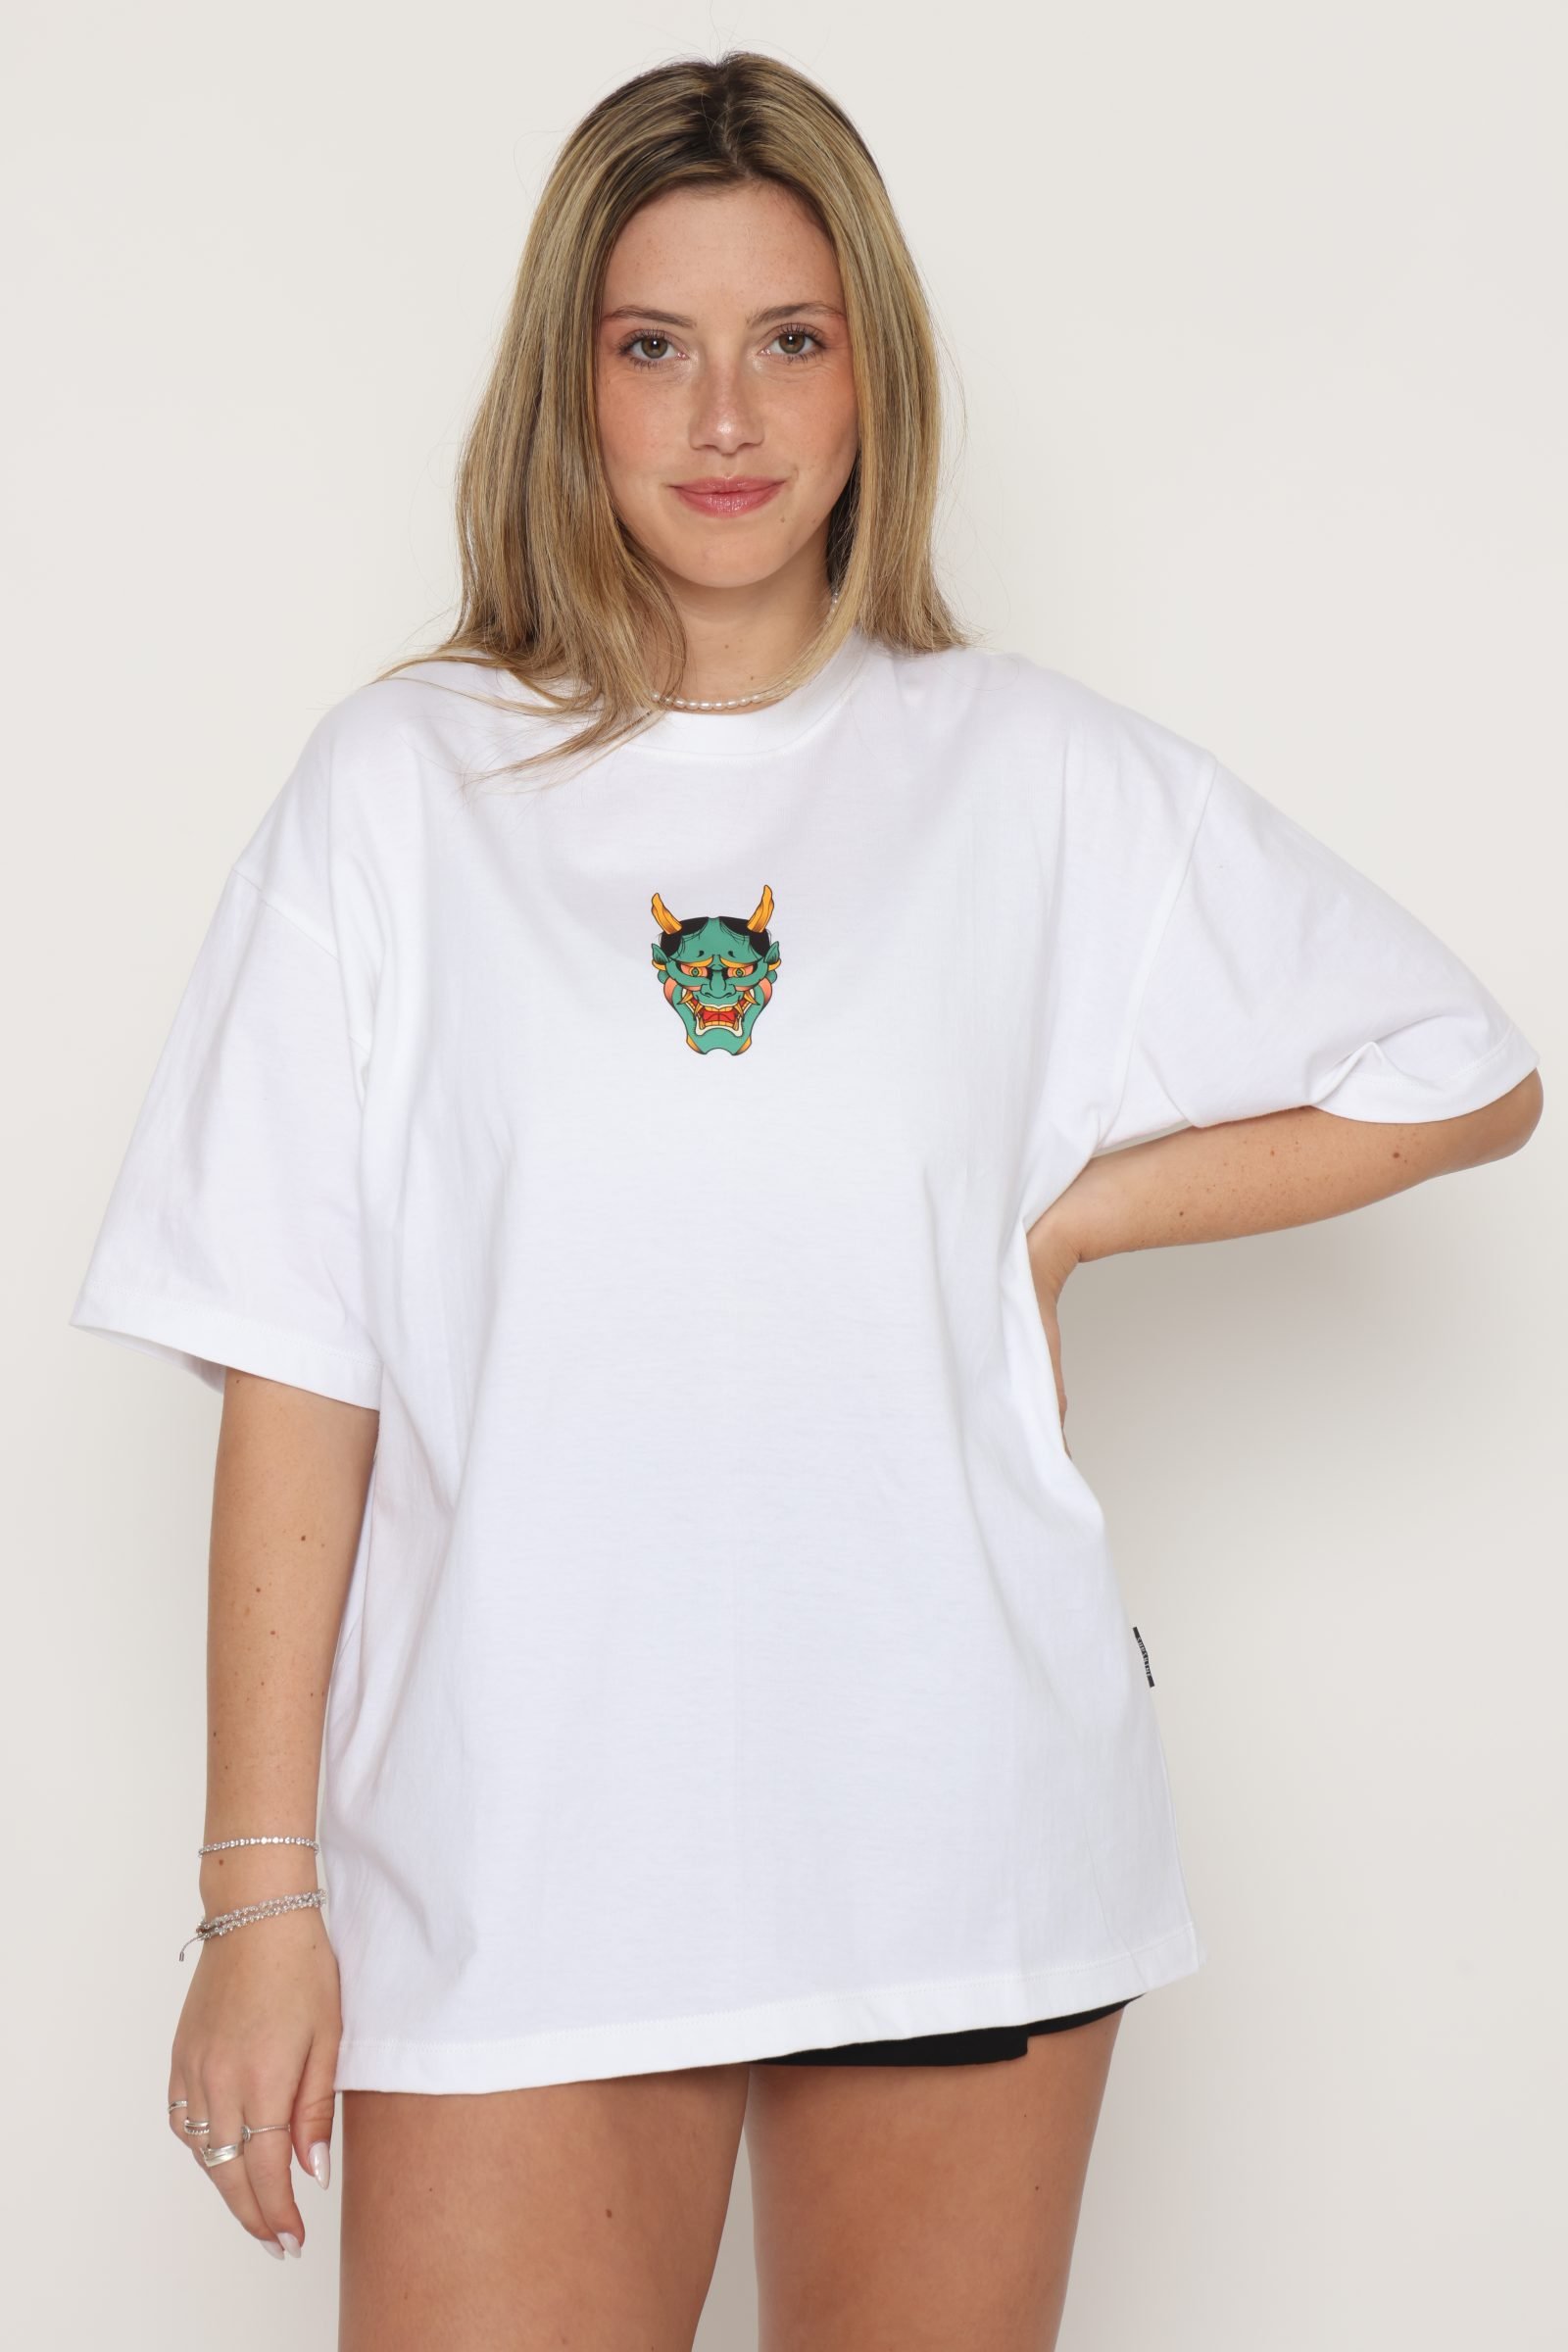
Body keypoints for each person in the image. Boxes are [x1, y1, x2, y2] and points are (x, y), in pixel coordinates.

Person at [67, 47, 1543, 2352]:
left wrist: (1062, 1221)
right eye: (653, 345)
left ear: (873, 373)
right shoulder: (401, 793)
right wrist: (259, 1900)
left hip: (953, 1819)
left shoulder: (1025, 776)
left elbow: (1460, 1073)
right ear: (568, 383)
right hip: (517, 1849)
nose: (726, 416)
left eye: (789, 339)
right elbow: (294, 1359)